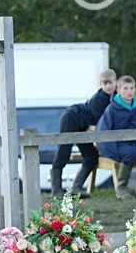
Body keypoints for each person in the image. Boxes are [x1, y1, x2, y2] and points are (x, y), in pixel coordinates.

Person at [50, 69, 117, 199]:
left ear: (116, 81)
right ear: (100, 84)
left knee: (92, 156)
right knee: (63, 153)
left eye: (111, 82)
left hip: (82, 126)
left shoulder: (115, 97)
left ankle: (76, 187)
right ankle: (56, 190)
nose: (108, 86)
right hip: (71, 118)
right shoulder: (99, 99)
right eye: (105, 83)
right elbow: (101, 124)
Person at [97, 76, 136, 200]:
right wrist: (111, 151)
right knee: (130, 153)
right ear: (118, 90)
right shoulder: (112, 109)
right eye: (125, 88)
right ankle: (121, 188)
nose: (129, 91)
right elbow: (103, 132)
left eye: (131, 88)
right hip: (119, 143)